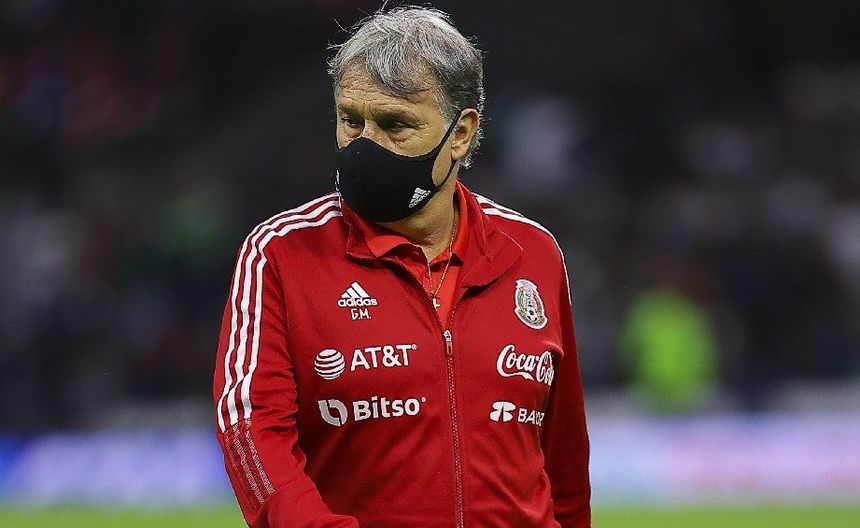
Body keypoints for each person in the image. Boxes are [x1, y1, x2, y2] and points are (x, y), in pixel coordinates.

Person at [213, 6, 591, 527]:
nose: (366, 145)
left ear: (461, 133)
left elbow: (564, 456)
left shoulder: (533, 251)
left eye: (395, 125)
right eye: (351, 120)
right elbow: (251, 429)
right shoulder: (281, 253)